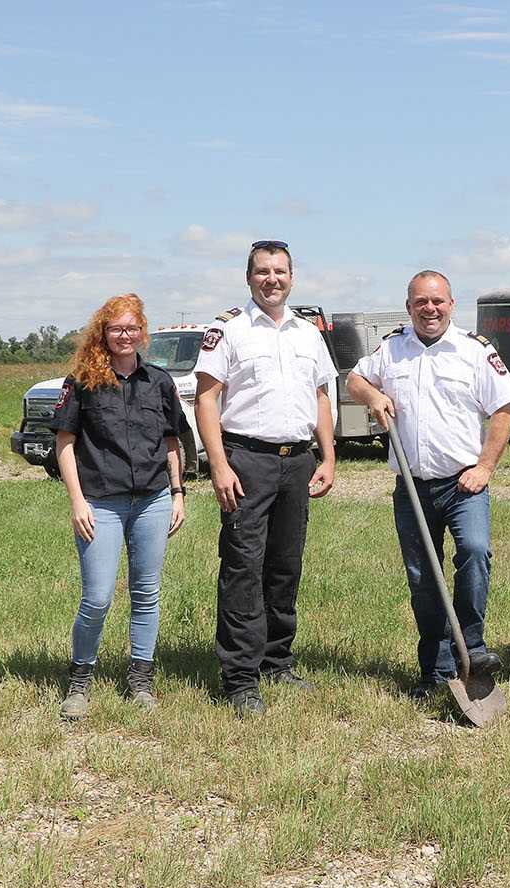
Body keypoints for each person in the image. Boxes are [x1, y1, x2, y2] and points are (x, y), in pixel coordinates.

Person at [347, 270, 510, 700]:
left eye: (438, 301)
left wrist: (485, 467)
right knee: (424, 578)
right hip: (412, 486)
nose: (430, 309)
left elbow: (504, 408)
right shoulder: (391, 349)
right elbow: (355, 379)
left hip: (463, 484)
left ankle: (473, 649)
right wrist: (373, 397)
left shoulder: (474, 351)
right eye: (421, 302)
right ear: (409, 307)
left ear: (451, 305)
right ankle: (437, 670)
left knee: (475, 554)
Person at [193, 240, 338, 718]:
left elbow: (320, 397)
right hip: (246, 461)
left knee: (284, 566)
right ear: (249, 278)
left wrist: (328, 456)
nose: (271, 279)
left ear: (292, 278)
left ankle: (277, 661)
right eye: (262, 271)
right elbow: (207, 400)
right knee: (242, 567)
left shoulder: (308, 334)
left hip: (296, 462)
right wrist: (218, 465)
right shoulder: (228, 331)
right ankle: (239, 678)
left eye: (279, 271)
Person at [49, 292, 188, 721]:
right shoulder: (82, 382)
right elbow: (64, 443)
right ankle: (80, 682)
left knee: (146, 593)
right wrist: (77, 501)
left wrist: (178, 492)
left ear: (141, 332)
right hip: (101, 503)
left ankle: (141, 680)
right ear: (103, 334)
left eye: (131, 328)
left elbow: (172, 441)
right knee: (97, 597)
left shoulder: (159, 381)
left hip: (152, 500)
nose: (124, 335)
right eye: (115, 329)